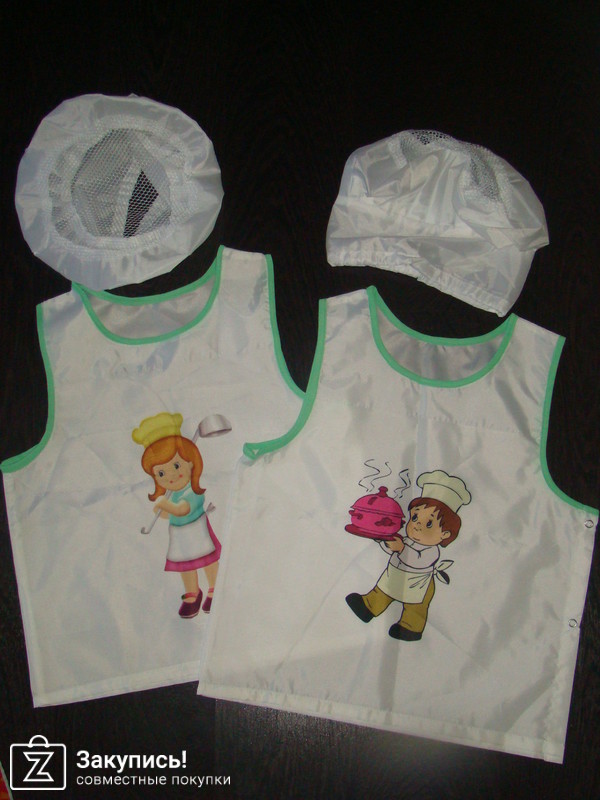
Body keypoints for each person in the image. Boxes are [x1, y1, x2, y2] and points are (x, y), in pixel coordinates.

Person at [346, 469, 470, 640]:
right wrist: (382, 540)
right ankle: (368, 607)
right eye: (415, 518)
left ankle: (410, 627)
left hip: (418, 584)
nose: (417, 525)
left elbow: (418, 560)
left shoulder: (432, 551)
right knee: (382, 592)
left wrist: (401, 549)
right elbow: (393, 548)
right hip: (395, 575)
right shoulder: (406, 540)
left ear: (445, 534)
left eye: (428, 524)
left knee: (415, 607)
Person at [133, 412, 221, 618]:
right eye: (161, 473)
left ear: (191, 462)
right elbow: (169, 514)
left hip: (197, 531)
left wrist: (166, 505)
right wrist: (161, 511)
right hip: (179, 535)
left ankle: (214, 587)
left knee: (207, 559)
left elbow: (182, 509)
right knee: (185, 565)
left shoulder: (192, 490)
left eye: (176, 465)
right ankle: (193, 593)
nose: (171, 475)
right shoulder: (170, 495)